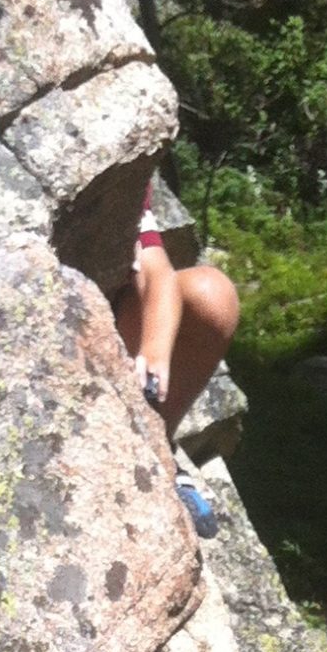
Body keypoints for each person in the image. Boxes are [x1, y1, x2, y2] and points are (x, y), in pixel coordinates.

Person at [116, 184, 240, 537]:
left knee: (212, 293)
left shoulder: (126, 172)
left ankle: (156, 439)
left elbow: (157, 271)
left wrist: (154, 353)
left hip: (104, 312)